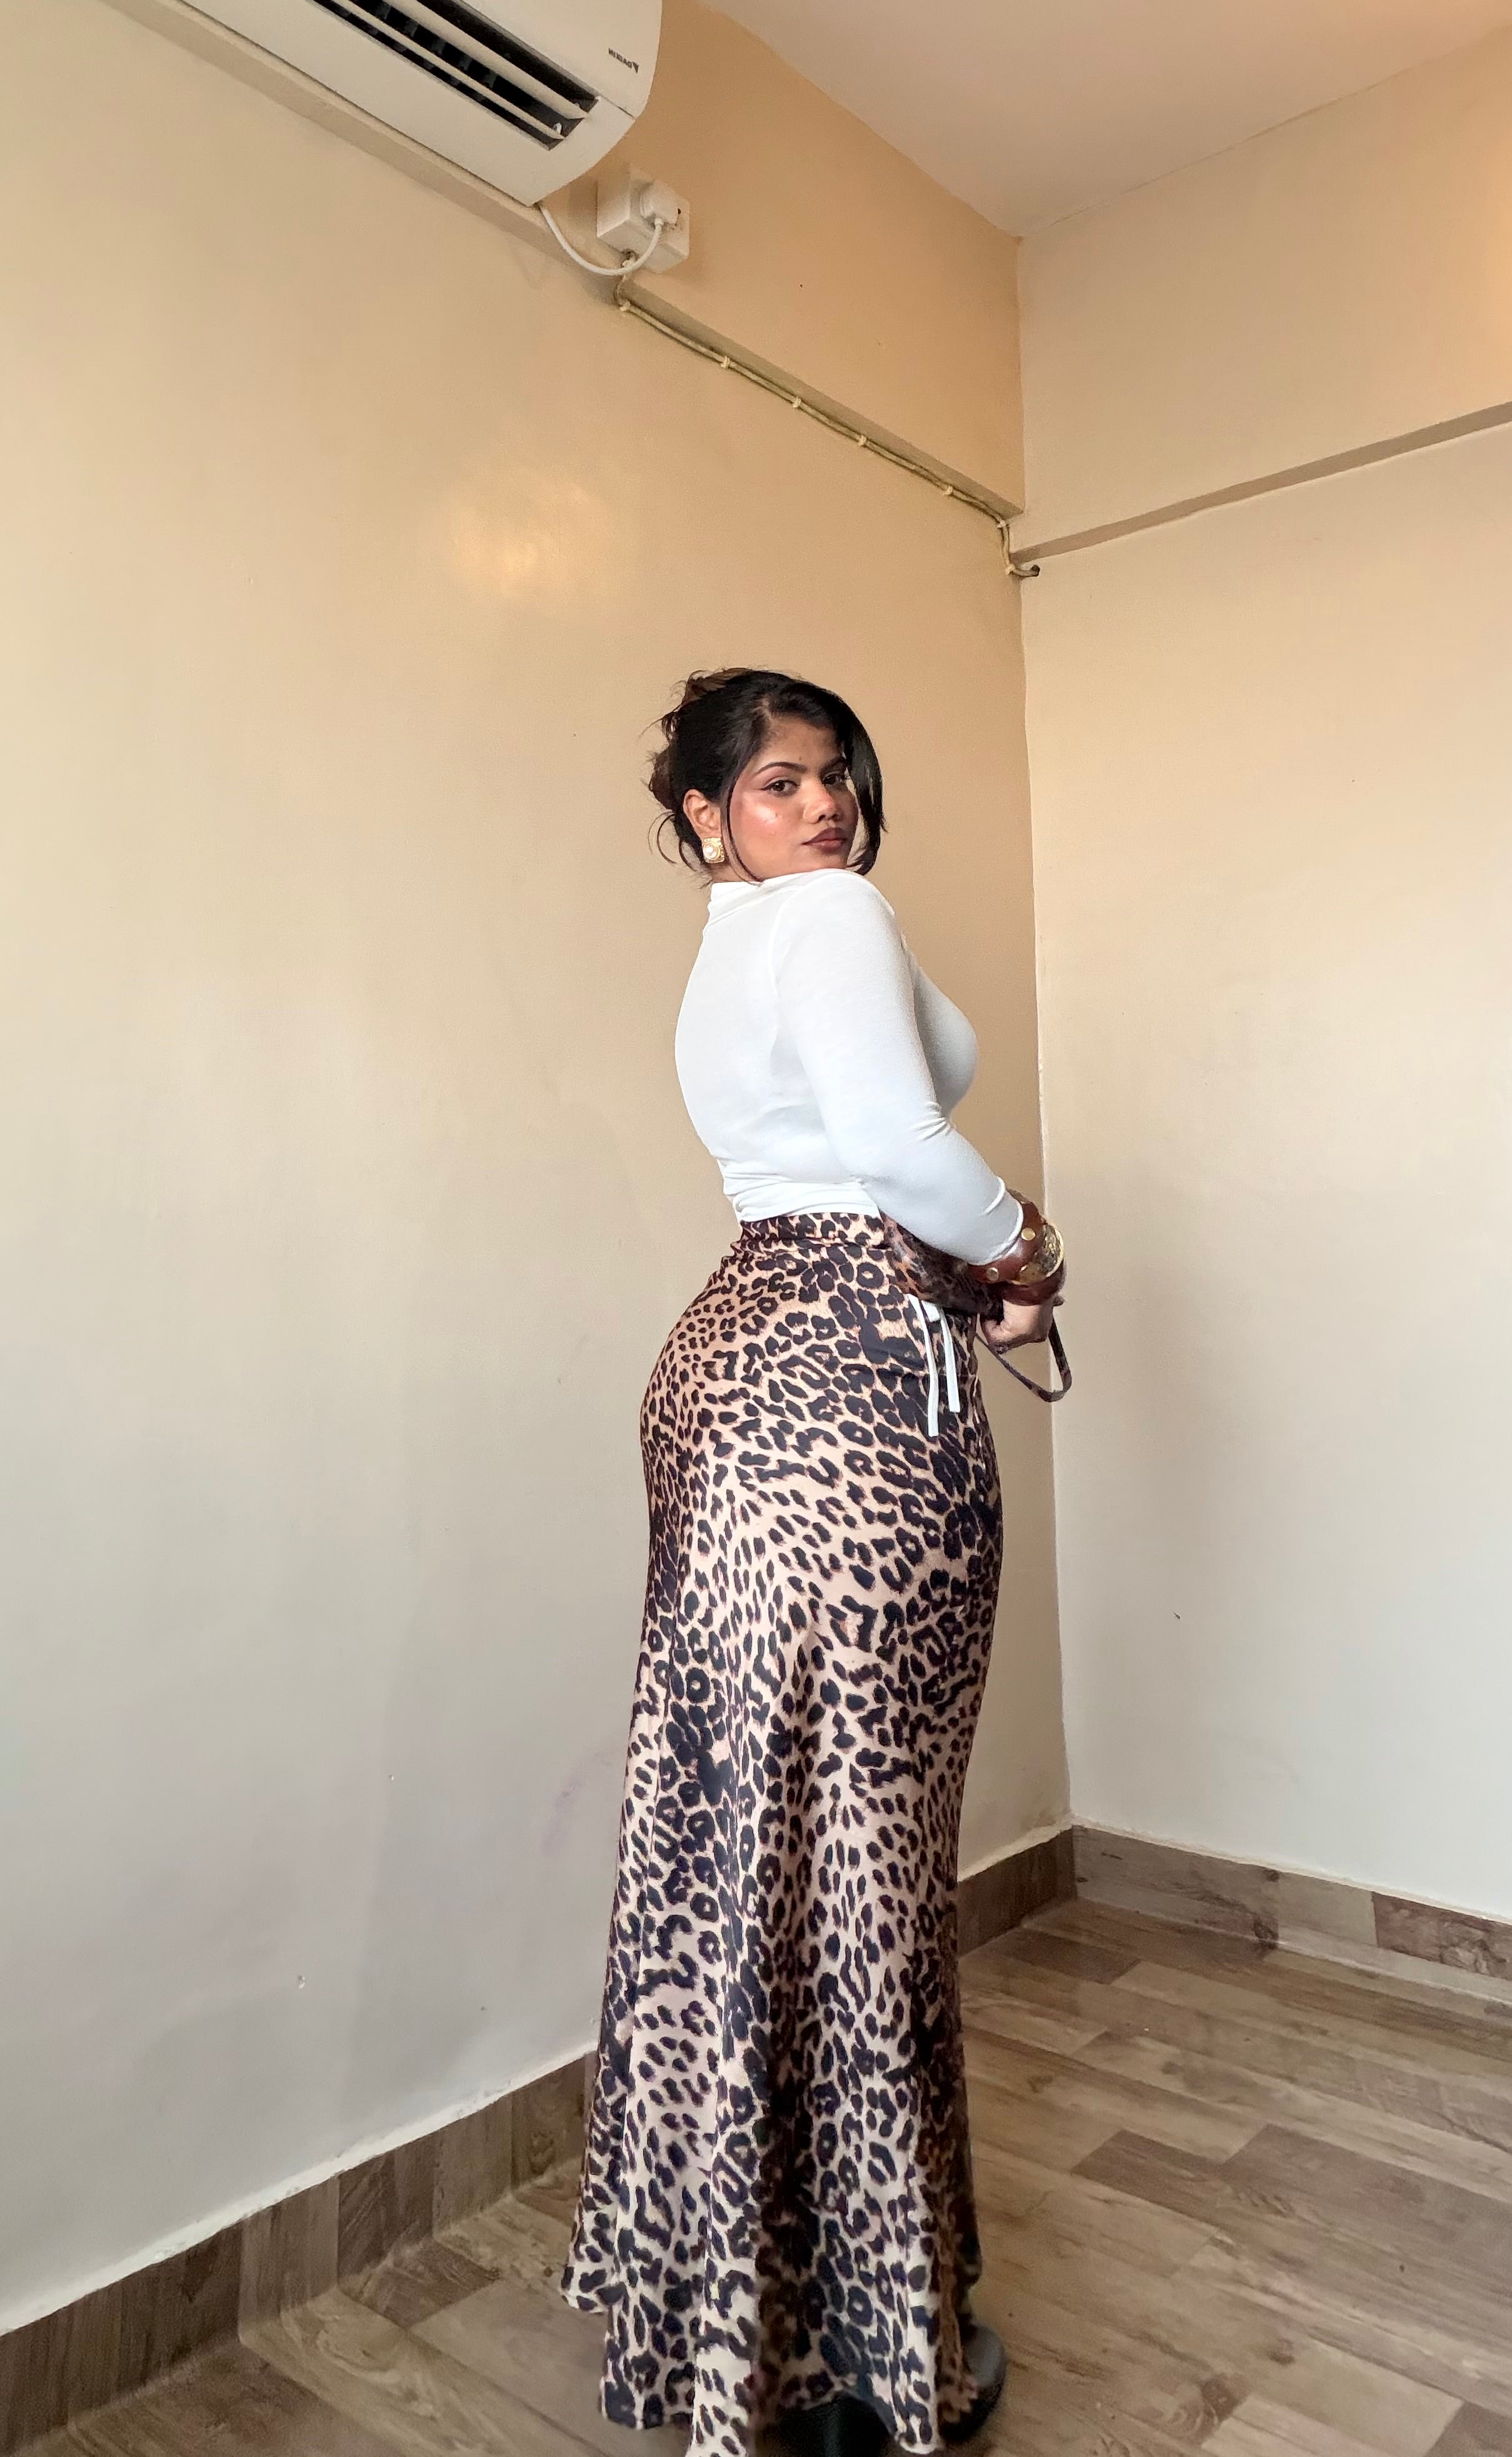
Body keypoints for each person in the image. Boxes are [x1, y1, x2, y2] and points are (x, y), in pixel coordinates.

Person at [562, 669, 1058, 2457]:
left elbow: (852, 1124)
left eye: (836, 774)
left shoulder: (735, 948)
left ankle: (740, 2339)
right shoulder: (827, 919)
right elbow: (902, 1150)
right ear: (704, 813)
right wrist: (1025, 1249)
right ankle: (873, 2354)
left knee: (728, 1859)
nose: (825, 802)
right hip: (848, 1383)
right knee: (861, 1867)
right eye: (778, 781)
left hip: (732, 1366)